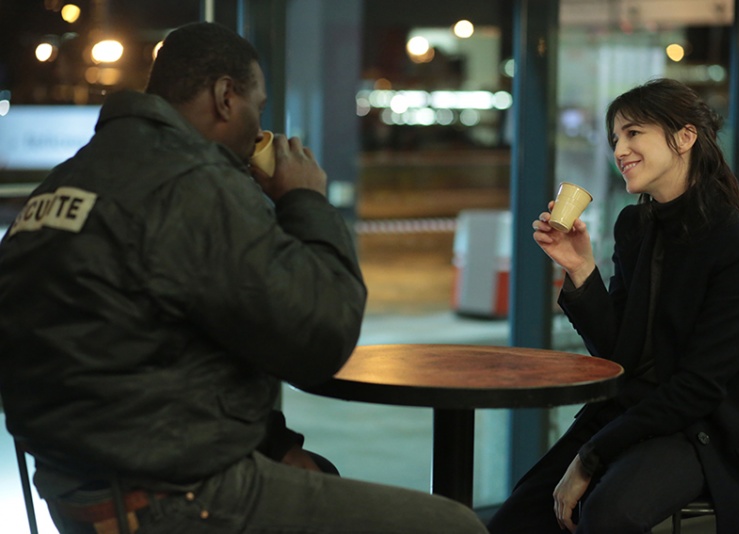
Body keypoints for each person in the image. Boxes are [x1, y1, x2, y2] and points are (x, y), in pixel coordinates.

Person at [0, 22, 488, 534]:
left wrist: (274, 444)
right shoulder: (192, 181)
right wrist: (305, 200)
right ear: (225, 97)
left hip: (77, 489)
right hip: (172, 495)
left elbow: (151, 345)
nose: (260, 129)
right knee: (454, 526)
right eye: (259, 105)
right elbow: (322, 336)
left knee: (319, 470)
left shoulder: (69, 179)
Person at [487, 78, 739, 534]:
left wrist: (590, 457)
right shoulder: (636, 225)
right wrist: (581, 269)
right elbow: (617, 353)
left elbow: (699, 388)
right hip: (631, 415)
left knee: (609, 515)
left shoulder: (738, 245)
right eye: (615, 138)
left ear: (684, 137)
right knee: (516, 520)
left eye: (633, 133)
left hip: (703, 429)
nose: (620, 150)